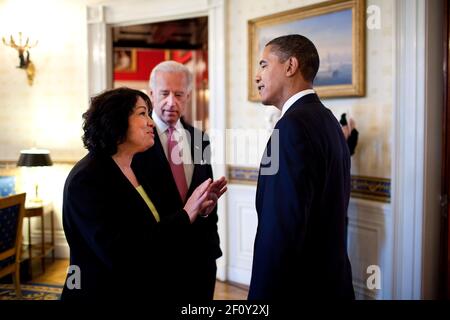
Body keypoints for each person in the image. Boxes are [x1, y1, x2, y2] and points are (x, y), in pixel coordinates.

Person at [61, 87, 226, 300]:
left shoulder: (134, 168)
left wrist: (197, 209)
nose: (151, 122)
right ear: (116, 119)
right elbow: (122, 253)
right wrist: (186, 213)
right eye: (142, 113)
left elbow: (156, 226)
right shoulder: (87, 178)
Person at [248, 34, 355, 300]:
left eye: (263, 64)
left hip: (298, 287)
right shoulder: (329, 120)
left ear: (290, 66)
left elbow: (281, 229)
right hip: (329, 280)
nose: (257, 76)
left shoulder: (291, 127)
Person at [132, 61, 225, 300]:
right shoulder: (134, 142)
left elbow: (205, 197)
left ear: (188, 96)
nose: (171, 102)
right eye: (164, 93)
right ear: (151, 94)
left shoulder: (200, 139)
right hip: (158, 260)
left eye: (179, 94)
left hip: (201, 258)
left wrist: (205, 208)